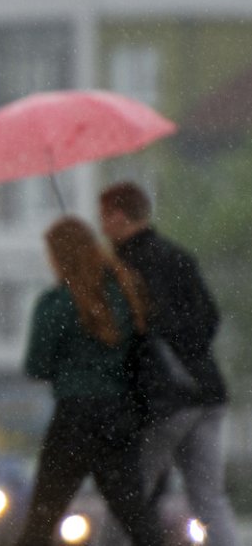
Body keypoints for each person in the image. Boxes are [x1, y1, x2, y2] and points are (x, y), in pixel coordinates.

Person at [99, 181, 237, 546]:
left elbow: (127, 337)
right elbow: (209, 318)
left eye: (104, 217)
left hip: (164, 402)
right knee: (210, 500)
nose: (101, 226)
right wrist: (189, 356)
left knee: (128, 497)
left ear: (117, 215)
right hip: (208, 392)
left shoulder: (124, 270)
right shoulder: (178, 256)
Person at [15, 217, 163, 546]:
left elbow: (36, 366)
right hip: (118, 416)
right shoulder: (124, 293)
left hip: (73, 418)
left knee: (42, 519)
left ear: (59, 256)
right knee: (137, 517)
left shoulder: (54, 304)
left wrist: (67, 366)